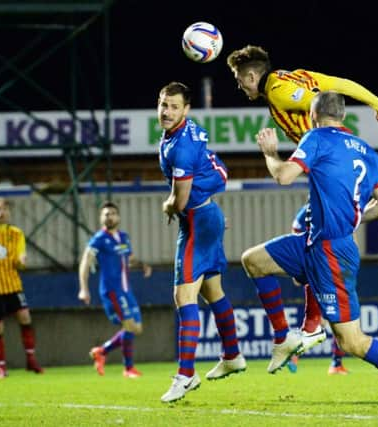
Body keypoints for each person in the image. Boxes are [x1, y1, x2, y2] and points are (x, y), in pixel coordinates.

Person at [227, 45, 378, 374]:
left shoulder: (278, 91)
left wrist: (284, 146)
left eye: (239, 80)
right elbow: (340, 85)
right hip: (342, 158)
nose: (240, 87)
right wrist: (376, 102)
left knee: (310, 231)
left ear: (251, 75)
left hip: (330, 160)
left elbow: (318, 106)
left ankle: (309, 326)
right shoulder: (298, 75)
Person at [242, 91, 378, 417]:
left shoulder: (317, 137)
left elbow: (283, 177)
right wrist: (353, 213)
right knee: (253, 260)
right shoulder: (366, 152)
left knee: (351, 342)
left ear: (313, 114)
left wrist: (269, 153)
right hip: (313, 242)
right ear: (344, 116)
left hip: (332, 252)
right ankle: (284, 337)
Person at [157, 81, 246, 403]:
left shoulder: (180, 146)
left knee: (184, 296)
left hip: (196, 222)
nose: (166, 112)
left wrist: (167, 205)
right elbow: (218, 170)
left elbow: (179, 202)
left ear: (186, 110)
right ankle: (233, 355)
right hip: (207, 218)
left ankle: (186, 375)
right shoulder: (185, 132)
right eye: (163, 104)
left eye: (174, 107)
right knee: (213, 291)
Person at [78, 201, 153, 378]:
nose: (109, 216)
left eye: (112, 213)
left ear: (118, 217)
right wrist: (84, 288)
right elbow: (85, 262)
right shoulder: (99, 239)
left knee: (136, 328)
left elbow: (130, 257)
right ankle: (128, 368)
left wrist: (142, 265)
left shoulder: (124, 237)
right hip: (112, 291)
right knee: (129, 325)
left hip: (127, 290)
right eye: (106, 214)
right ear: (100, 218)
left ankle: (101, 351)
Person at [0, 197, 43, 378]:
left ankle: (31, 359)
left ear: (9, 212)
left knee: (25, 317)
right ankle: (1, 366)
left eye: (5, 209)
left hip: (12, 285)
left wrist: (22, 262)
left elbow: (20, 257)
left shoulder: (16, 233)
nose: (1, 212)